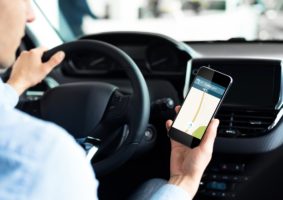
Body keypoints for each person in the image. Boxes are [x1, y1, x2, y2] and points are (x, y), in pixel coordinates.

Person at [0, 0, 219, 199]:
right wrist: (184, 181)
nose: (31, 15)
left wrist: (15, 85)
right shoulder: (44, 158)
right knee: (156, 186)